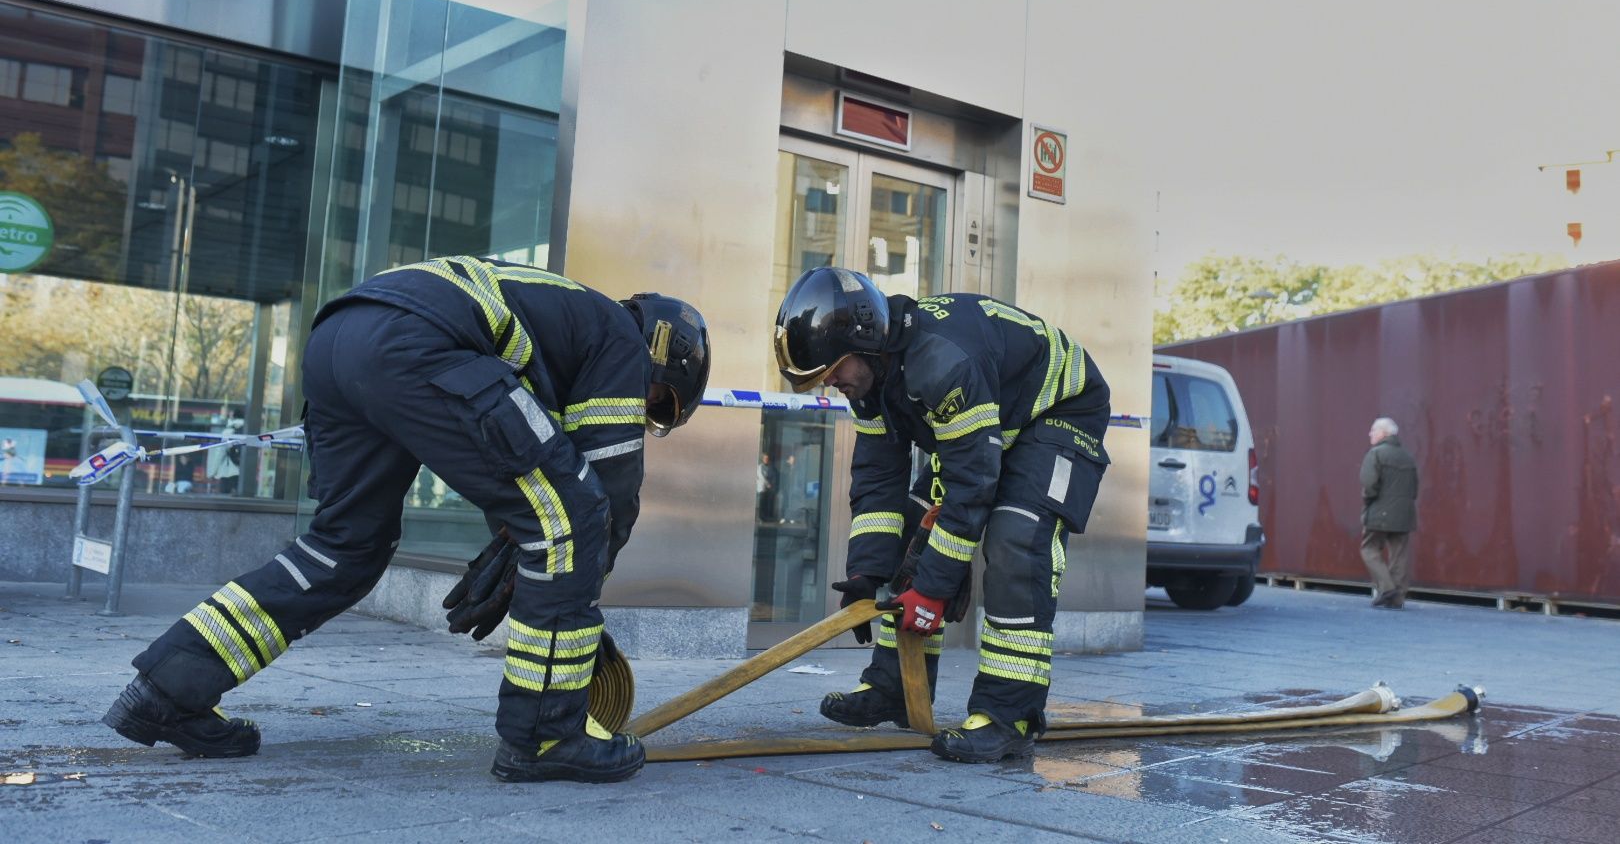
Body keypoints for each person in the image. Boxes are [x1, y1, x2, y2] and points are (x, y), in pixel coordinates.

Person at [103, 255, 711, 783]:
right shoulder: (621, 338)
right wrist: (572, 589)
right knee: (573, 522)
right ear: (665, 358)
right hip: (416, 340)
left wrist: (542, 555)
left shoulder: (561, 310)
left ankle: (167, 691)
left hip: (340, 337)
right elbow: (608, 489)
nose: (644, 411)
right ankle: (547, 737)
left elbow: (525, 461)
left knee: (344, 547)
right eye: (656, 404)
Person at [773, 266, 1110, 763]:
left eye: (832, 368)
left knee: (1017, 538)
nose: (828, 382)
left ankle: (1007, 715)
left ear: (865, 342)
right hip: (995, 421)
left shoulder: (941, 364)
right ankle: (895, 688)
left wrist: (931, 591)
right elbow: (877, 481)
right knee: (911, 532)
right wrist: (868, 573)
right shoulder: (871, 379)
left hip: (1058, 416)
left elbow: (972, 490)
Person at [1360, 416, 1419, 609]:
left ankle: (1386, 588)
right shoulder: (1408, 456)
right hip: (1405, 514)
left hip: (1380, 511)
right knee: (1399, 554)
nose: (1370, 434)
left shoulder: (1375, 454)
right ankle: (1397, 598)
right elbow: (1415, 488)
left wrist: (1369, 502)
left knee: (1369, 548)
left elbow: (1369, 484)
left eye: (1373, 430)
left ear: (1383, 434)